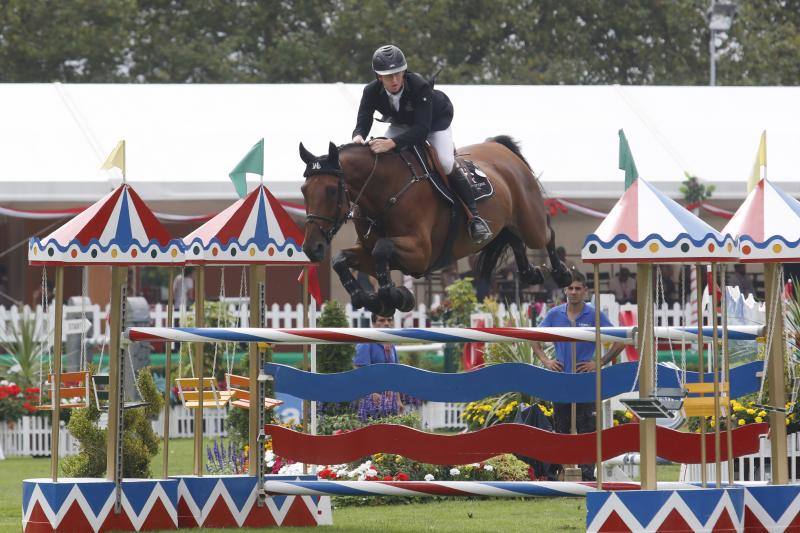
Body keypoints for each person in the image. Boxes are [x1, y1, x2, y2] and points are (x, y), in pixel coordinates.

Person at [351, 44, 492, 244]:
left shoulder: (419, 86)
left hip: (434, 123)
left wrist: (391, 143)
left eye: (398, 74)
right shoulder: (370, 91)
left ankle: (474, 217)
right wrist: (358, 137)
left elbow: (421, 130)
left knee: (444, 162)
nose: (395, 80)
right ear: (378, 77)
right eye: (389, 76)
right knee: (382, 156)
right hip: (401, 124)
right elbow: (364, 119)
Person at [531, 272, 625, 481]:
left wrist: (599, 362)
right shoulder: (554, 314)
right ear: (565, 291)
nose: (573, 292)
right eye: (570, 288)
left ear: (585, 291)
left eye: (578, 288)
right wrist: (546, 361)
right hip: (561, 380)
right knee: (561, 428)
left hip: (586, 381)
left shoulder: (595, 315)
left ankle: (587, 477)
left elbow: (621, 339)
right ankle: (563, 474)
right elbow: (533, 338)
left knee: (587, 430)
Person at [353, 313, 403, 419]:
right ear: (373, 323)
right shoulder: (365, 342)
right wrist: (371, 394)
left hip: (390, 403)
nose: (386, 323)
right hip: (370, 403)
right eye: (381, 320)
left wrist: (398, 400)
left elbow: (396, 374)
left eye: (389, 320)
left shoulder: (391, 344)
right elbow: (359, 372)